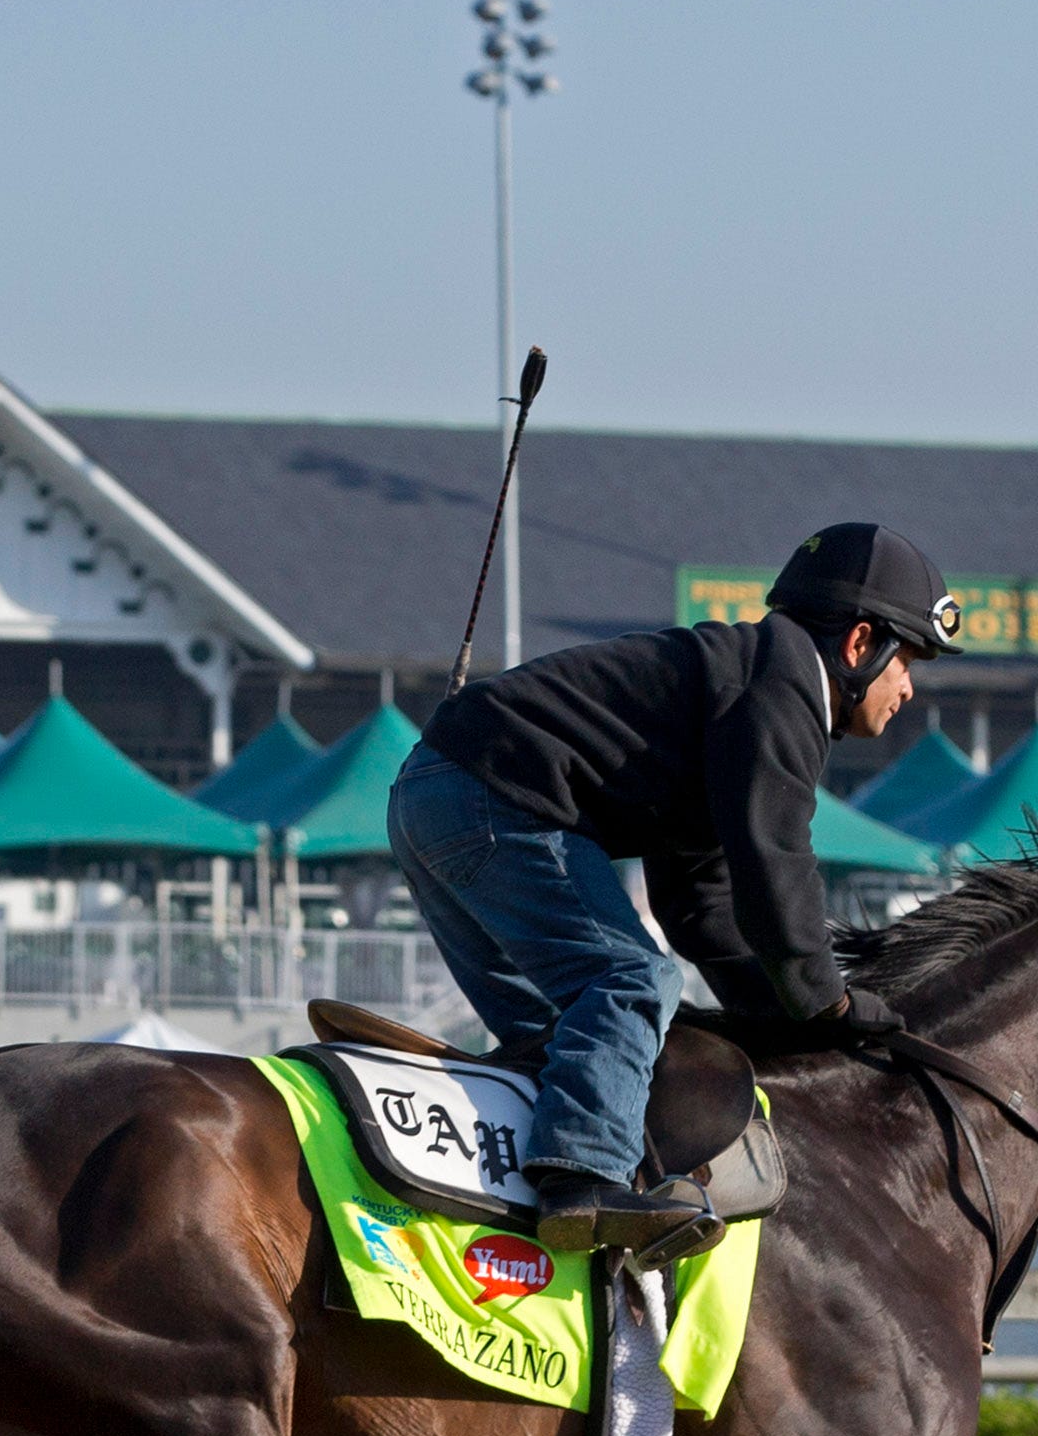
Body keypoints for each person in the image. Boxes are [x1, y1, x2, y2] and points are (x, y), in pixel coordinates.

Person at [389, 522, 960, 1253]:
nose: (908, 687)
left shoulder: (736, 681)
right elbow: (776, 862)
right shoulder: (782, 689)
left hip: (430, 798)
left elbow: (701, 905)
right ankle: (583, 1181)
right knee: (633, 979)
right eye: (907, 660)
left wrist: (786, 1023)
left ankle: (509, 1219)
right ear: (859, 644)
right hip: (492, 798)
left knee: (560, 1039)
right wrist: (829, 1003)